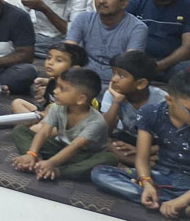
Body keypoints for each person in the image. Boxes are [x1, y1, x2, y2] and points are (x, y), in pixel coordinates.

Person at [91, 71, 190, 214]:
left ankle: (167, 201)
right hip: (161, 174)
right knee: (101, 173)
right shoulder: (152, 113)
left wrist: (183, 200)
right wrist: (146, 182)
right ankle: (169, 202)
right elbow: (142, 158)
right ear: (169, 100)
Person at [11, 67, 115, 181]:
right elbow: (44, 132)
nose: (55, 91)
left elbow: (76, 146)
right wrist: (32, 153)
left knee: (109, 158)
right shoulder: (57, 107)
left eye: (62, 89)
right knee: (20, 130)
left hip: (84, 156)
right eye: (57, 86)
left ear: (81, 99)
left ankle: (58, 171)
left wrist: (51, 163)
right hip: (61, 147)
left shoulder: (96, 121)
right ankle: (37, 162)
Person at [65, 0, 148, 89]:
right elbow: (67, 52)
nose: (101, 1)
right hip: (83, 80)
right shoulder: (83, 19)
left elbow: (129, 66)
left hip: (116, 85)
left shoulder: (137, 28)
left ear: (124, 3)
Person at [101, 50, 167, 166]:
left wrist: (142, 150)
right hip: (128, 138)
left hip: (156, 143)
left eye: (121, 75)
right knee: (103, 140)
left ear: (140, 84)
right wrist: (116, 102)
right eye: (113, 73)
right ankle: (147, 163)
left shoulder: (162, 101)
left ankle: (141, 162)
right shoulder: (113, 94)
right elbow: (105, 132)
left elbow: (171, 140)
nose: (113, 79)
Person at [128, 0, 190, 79]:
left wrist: (159, 66)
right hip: (138, 60)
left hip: (173, 63)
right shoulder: (135, 4)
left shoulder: (187, 7)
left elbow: (187, 47)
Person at [22, 0, 93, 57]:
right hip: (39, 36)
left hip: (66, 39)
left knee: (82, 44)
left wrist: (44, 9)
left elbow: (73, 32)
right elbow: (18, 17)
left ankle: (49, 54)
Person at [12, 42, 89, 116]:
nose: (50, 62)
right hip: (48, 115)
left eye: (59, 60)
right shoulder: (52, 83)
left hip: (63, 121)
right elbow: (48, 104)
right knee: (17, 103)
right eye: (49, 58)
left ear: (75, 68)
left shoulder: (75, 90)